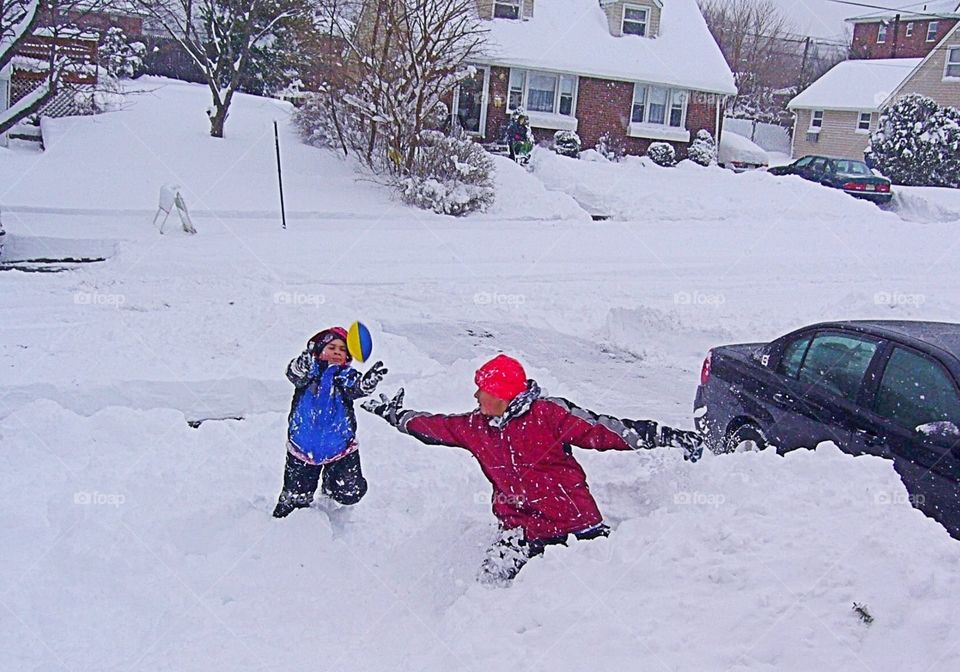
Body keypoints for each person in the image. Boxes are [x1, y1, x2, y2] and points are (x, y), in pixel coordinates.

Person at [362, 354, 702, 583]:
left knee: (605, 587)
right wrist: (395, 416)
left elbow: (603, 430)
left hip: (576, 523)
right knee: (490, 592)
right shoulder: (476, 427)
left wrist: (663, 435)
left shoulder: (548, 414)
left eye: (484, 388)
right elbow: (433, 427)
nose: (476, 394)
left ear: (504, 393)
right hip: (519, 530)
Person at [273, 327, 387, 518]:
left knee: (350, 493)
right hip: (302, 449)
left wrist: (366, 385)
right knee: (293, 503)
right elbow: (295, 374)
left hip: (340, 449)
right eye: (331, 347)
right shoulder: (308, 373)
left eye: (342, 350)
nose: (336, 352)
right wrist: (302, 364)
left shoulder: (346, 377)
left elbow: (356, 388)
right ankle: (281, 530)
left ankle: (331, 485)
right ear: (319, 350)